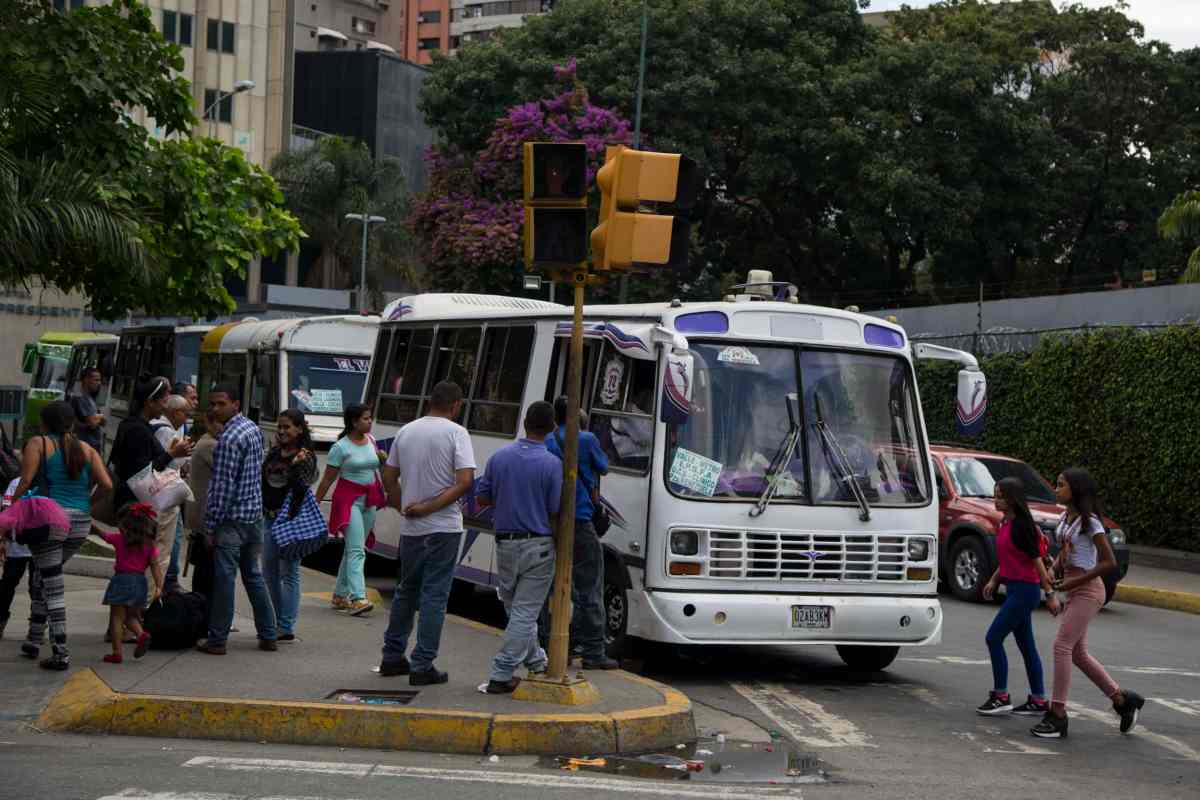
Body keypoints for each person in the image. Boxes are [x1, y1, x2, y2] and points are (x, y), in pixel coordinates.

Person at [1031, 468, 1144, 739]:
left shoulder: (1090, 522)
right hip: (1074, 588)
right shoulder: (1065, 518)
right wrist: (1054, 570)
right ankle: (1122, 700)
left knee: (1062, 646)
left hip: (1089, 590)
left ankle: (1058, 714)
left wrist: (1074, 581)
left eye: (1061, 485)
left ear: (1076, 490)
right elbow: (1066, 552)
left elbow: (1109, 562)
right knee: (1077, 654)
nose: (1056, 489)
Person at [378, 381, 476, 686]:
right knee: (434, 595)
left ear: (430, 401)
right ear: (456, 405)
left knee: (406, 590)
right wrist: (428, 507)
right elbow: (465, 481)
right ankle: (422, 664)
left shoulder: (406, 431)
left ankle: (392, 656)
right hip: (443, 527)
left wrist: (403, 505)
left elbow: (388, 476)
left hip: (412, 529)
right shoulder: (457, 433)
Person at [12, 400, 113, 669]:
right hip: (79, 522)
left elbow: (26, 480)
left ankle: (60, 651)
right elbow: (106, 484)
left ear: (45, 423)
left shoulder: (39, 443)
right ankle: (34, 639)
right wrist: (87, 503)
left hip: (49, 519)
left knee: (52, 585)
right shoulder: (87, 449)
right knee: (43, 575)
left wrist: (9, 508)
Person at [475, 401, 562, 694]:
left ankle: (537, 662)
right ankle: (501, 673)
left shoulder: (499, 457)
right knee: (524, 613)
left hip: (505, 544)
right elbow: (554, 509)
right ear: (552, 428)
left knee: (516, 610)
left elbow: (482, 498)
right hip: (538, 545)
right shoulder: (552, 464)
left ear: (524, 422)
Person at [196, 383, 277, 655]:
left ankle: (217, 639)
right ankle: (268, 634)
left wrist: (210, 526)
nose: (215, 409)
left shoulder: (229, 439)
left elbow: (222, 488)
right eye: (213, 404)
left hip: (231, 521)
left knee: (225, 581)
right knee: (253, 576)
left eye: (221, 403)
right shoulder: (252, 428)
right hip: (254, 515)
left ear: (235, 404)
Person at [543, 396, 617, 670]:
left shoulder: (547, 440)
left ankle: (553, 646)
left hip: (550, 521)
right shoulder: (586, 439)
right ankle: (593, 651)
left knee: (552, 586)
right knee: (590, 586)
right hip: (580, 520)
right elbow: (604, 467)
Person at [977, 477, 1059, 717]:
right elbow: (1008, 559)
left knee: (993, 638)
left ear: (1013, 499)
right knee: (1026, 646)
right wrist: (994, 580)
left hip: (1025, 591)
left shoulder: (1023, 526)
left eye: (1001, 496)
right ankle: (1038, 700)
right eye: (995, 495)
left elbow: (1037, 563)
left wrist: (1050, 594)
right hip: (1014, 589)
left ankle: (1001, 696)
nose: (996, 500)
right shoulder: (1006, 522)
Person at [315, 403, 386, 616]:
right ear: (354, 422)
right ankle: (357, 598)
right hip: (349, 501)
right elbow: (327, 479)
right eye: (365, 418)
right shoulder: (340, 447)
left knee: (354, 548)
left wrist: (382, 461)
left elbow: (377, 469)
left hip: (369, 500)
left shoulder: (371, 440)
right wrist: (314, 503)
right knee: (356, 550)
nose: (370, 422)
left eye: (370, 418)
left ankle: (340, 595)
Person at [262, 410, 317, 641]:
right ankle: (275, 620)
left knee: (289, 572)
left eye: (287, 427)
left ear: (299, 429)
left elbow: (301, 490)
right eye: (280, 427)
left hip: (289, 521)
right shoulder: (274, 452)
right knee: (268, 572)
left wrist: (294, 466)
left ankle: (285, 626)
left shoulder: (305, 457)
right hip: (268, 518)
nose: (282, 431)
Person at [99, 503, 162, 663]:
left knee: (117, 618)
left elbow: (104, 535)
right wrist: (159, 586)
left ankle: (116, 652)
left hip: (122, 580)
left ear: (127, 526)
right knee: (131, 617)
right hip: (140, 583)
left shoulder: (120, 539)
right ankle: (141, 635)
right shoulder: (149, 545)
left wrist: (93, 527)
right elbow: (155, 566)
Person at [153, 395, 193, 593]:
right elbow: (170, 462)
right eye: (186, 414)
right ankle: (163, 584)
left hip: (159, 492)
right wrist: (183, 455)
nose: (187, 419)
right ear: (176, 413)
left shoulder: (156, 426)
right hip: (163, 493)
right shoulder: (166, 431)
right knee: (165, 541)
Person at [186, 411, 224, 605]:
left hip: (200, 513)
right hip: (205, 514)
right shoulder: (211, 445)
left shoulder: (206, 442)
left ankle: (201, 607)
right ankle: (202, 608)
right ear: (209, 423)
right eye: (220, 423)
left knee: (204, 566)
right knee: (207, 568)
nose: (224, 428)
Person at [0, 478, 34, 641]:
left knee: (37, 588)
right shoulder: (16, 483)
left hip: (40, 546)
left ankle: (36, 626)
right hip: (16, 546)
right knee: (7, 584)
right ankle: (1, 620)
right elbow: (5, 509)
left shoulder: (49, 478)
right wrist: (2, 538)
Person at [69, 367, 105, 452]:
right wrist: (101, 417)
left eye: (99, 380)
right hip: (86, 445)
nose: (99, 383)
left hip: (90, 444)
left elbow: (102, 422)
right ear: (86, 380)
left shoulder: (89, 398)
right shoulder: (81, 398)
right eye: (96, 380)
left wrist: (98, 418)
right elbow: (93, 423)